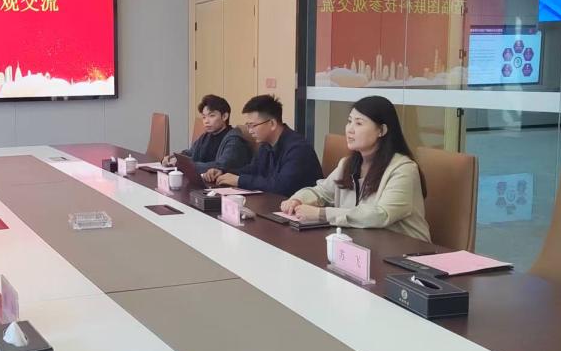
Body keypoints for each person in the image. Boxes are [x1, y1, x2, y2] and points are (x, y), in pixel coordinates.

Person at [281, 95, 431, 241]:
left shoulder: (403, 169)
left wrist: (322, 214)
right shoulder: (347, 164)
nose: (349, 129)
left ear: (382, 130)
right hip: (363, 244)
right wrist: (297, 200)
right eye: (349, 121)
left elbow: (381, 215)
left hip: (407, 250)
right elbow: (321, 192)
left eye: (359, 123)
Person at [204, 94, 322, 196]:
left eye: (253, 125)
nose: (250, 131)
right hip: (275, 203)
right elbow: (253, 169)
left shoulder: (298, 148)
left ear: (272, 124)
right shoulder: (266, 144)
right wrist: (223, 172)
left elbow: (281, 186)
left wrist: (239, 180)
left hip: (300, 208)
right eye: (248, 126)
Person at [163, 94, 252, 173]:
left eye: (211, 116)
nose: (206, 121)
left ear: (225, 116)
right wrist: (172, 158)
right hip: (203, 181)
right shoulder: (206, 136)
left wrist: (185, 164)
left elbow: (222, 166)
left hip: (220, 184)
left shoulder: (235, 140)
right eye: (204, 117)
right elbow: (190, 153)